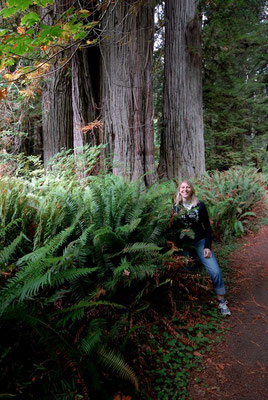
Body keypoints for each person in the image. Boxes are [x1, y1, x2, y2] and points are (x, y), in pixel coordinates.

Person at [173, 180, 231, 316]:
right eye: (182, 187)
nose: (185, 189)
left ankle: (221, 300)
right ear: (179, 190)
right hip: (184, 245)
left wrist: (207, 246)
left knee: (215, 271)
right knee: (186, 271)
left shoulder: (200, 205)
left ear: (192, 190)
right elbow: (173, 230)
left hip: (200, 241)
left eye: (188, 187)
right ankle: (189, 301)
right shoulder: (175, 208)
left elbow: (208, 228)